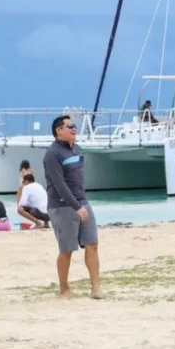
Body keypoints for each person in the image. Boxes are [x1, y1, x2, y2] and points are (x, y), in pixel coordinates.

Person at [44, 114, 102, 299]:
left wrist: (81, 203)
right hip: (62, 206)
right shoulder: (52, 154)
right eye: (70, 126)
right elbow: (60, 185)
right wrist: (76, 207)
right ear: (58, 131)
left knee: (92, 244)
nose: (74, 129)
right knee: (67, 249)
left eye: (74, 126)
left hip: (82, 202)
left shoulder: (77, 149)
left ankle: (95, 288)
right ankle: (64, 289)